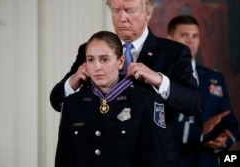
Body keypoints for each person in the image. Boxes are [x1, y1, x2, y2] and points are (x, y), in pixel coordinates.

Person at [51, 0, 201, 166]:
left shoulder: (173, 52)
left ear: (148, 13)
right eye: (116, 10)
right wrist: (73, 81)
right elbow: (57, 101)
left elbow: (193, 103)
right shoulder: (92, 50)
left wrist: (159, 80)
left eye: (130, 10)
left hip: (154, 157)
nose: (122, 18)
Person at [55, 30, 168, 167]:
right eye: (91, 60)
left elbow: (155, 161)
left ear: (120, 62)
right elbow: (64, 160)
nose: (97, 67)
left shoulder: (146, 101)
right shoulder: (72, 103)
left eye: (104, 59)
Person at [167, 15, 240, 167]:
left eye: (195, 36)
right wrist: (200, 130)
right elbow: (159, 126)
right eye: (184, 35)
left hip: (208, 161)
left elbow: (229, 120)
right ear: (170, 38)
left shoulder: (215, 78)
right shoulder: (160, 78)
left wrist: (225, 138)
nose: (190, 41)